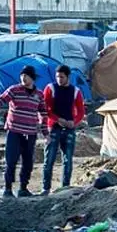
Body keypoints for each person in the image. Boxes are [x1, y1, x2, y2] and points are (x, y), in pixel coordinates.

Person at [0, 65, 47, 197]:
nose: (23, 78)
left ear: (32, 78)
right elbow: (0, 100)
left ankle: (23, 189)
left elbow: (43, 114)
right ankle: (8, 189)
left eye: (26, 76)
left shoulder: (39, 94)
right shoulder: (14, 90)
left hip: (30, 133)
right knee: (11, 161)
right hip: (14, 131)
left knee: (28, 162)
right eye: (22, 75)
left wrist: (45, 132)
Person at [42, 64, 86, 194]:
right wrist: (57, 119)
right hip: (53, 127)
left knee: (68, 159)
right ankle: (46, 188)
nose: (59, 79)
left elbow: (81, 111)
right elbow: (46, 108)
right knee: (49, 159)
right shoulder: (50, 88)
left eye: (62, 77)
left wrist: (74, 122)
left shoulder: (76, 91)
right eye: (57, 77)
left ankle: (65, 187)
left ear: (68, 77)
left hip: (69, 129)